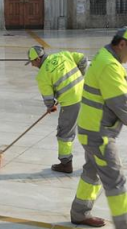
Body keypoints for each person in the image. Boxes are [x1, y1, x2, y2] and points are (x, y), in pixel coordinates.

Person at [70, 27, 127, 228]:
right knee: (115, 179)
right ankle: (125, 226)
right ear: (122, 44)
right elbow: (120, 99)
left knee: (91, 173)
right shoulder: (110, 65)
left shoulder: (104, 56)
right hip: (98, 133)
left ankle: (79, 213)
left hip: (90, 128)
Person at [26, 45, 88, 173]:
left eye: (32, 62)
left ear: (37, 59)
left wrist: (50, 107)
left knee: (64, 133)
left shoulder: (42, 75)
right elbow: (83, 59)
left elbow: (48, 99)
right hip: (87, 94)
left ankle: (65, 163)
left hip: (72, 103)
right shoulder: (63, 54)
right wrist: (81, 76)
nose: (32, 65)